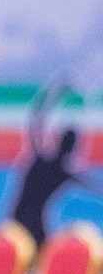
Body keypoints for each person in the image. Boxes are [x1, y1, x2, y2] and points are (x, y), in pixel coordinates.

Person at [9, 83, 103, 249]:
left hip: (18, 217)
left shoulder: (42, 158)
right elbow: (97, 188)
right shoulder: (65, 173)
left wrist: (55, 93)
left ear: (58, 141)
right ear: (73, 149)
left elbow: (36, 120)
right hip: (32, 223)